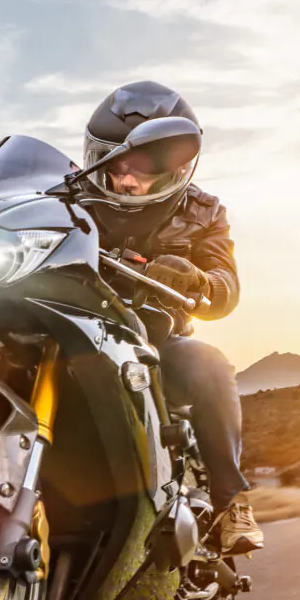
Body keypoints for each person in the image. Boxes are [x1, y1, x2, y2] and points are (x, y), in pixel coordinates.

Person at [81, 80, 263, 555]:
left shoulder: (204, 213)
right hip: (75, 326)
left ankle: (231, 501)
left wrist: (198, 281)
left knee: (209, 363)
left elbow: (226, 290)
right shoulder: (71, 196)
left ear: (175, 170)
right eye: (113, 162)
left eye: (140, 169)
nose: (124, 180)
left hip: (155, 345)